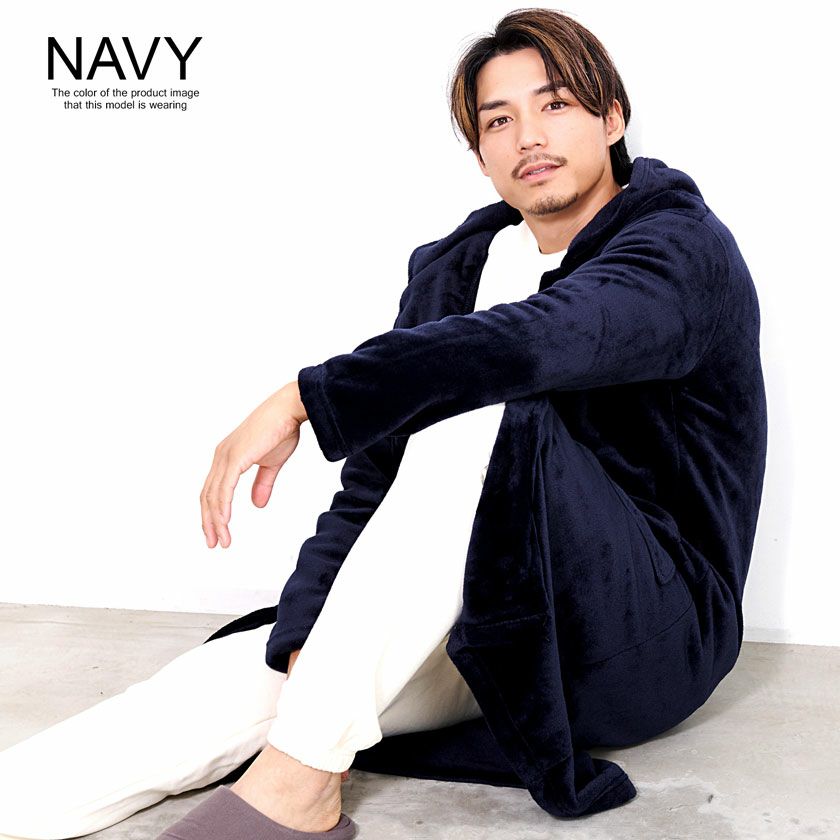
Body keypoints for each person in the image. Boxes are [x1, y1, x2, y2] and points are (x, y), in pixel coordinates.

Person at [0, 8, 766, 840]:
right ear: (480, 153)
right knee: (229, 684)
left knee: (487, 401)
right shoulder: (455, 272)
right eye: (498, 121)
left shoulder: (680, 248)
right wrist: (310, 642)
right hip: (488, 629)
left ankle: (298, 789)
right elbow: (375, 483)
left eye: (555, 105)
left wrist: (306, 396)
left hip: (640, 634)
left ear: (611, 118)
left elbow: (543, 341)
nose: (528, 137)